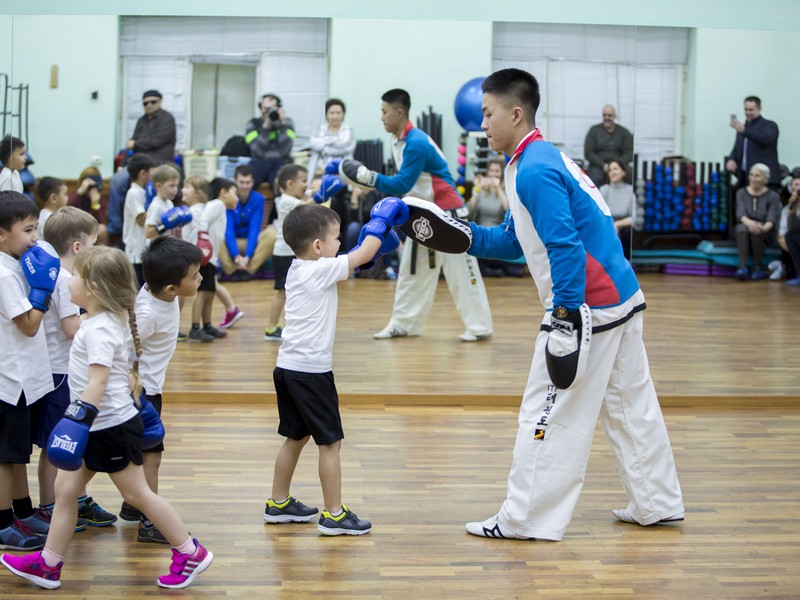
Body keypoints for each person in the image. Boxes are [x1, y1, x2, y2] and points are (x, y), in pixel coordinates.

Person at [462, 68, 683, 541]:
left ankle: (524, 519)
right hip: (620, 297)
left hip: (589, 306)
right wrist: (459, 235)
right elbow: (515, 240)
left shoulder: (535, 168)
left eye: (488, 113)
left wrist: (563, 318)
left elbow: (563, 247)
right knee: (630, 406)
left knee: (547, 410)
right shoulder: (534, 158)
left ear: (515, 113)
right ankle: (657, 502)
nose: (482, 123)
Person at [0, 245, 213, 590]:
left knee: (138, 495)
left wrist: (75, 419)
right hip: (102, 424)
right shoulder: (101, 320)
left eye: (77, 276)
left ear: (94, 289)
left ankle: (190, 551)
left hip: (108, 427)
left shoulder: (99, 329)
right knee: (65, 489)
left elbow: (98, 379)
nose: (69, 280)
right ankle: (49, 564)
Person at [265, 201, 403, 535]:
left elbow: (350, 262)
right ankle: (334, 514)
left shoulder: (301, 269)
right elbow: (360, 255)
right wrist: (380, 220)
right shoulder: (320, 269)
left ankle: (278, 503)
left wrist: (372, 249)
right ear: (317, 247)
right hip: (311, 372)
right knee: (330, 443)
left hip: (288, 367)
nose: (340, 243)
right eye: (336, 238)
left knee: (295, 436)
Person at [338, 88, 493, 342]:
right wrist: (370, 184)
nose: (381, 117)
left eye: (384, 112)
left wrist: (369, 178)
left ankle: (479, 327)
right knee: (412, 269)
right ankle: (404, 324)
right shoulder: (396, 140)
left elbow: (400, 184)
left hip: (448, 212)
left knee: (461, 272)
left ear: (399, 113)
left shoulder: (416, 143)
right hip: (422, 212)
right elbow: (406, 185)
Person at [117, 236, 203, 542]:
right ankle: (150, 521)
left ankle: (132, 505)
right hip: (141, 394)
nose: (200, 279)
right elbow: (121, 352)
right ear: (171, 289)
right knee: (151, 455)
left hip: (150, 389)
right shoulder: (148, 313)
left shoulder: (160, 293)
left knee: (142, 452)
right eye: (194, 277)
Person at [37, 207, 118, 529]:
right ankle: (48, 505)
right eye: (94, 241)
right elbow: (71, 328)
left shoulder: (67, 277)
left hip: (66, 369)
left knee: (73, 442)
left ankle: (76, 499)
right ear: (77, 247)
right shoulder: (66, 280)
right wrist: (101, 312)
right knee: (55, 442)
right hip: (60, 372)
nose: (96, 247)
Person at [0, 191, 57, 551]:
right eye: (27, 230)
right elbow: (29, 325)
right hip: (10, 379)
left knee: (19, 452)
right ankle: (3, 522)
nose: (34, 237)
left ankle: (21, 510)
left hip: (23, 378)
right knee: (5, 456)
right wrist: (43, 290)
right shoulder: (4, 275)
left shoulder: (15, 263)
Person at [180, 177, 243, 337]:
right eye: (235, 193)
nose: (237, 197)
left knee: (209, 292)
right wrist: (203, 241)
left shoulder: (220, 207)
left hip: (211, 256)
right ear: (223, 193)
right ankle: (195, 327)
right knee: (202, 293)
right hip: (205, 255)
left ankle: (207, 325)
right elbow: (203, 220)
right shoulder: (217, 204)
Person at [264, 164, 312, 341]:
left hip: (292, 253)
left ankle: (288, 326)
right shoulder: (285, 200)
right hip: (283, 254)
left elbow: (308, 199)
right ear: (290, 184)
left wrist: (315, 189)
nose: (306, 185)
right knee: (283, 292)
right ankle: (271, 328)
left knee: (294, 291)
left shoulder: (294, 197)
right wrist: (321, 193)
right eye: (304, 181)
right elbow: (307, 207)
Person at [220, 165, 276, 282]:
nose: (244, 186)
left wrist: (247, 256)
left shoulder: (258, 199)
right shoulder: (227, 199)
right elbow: (228, 230)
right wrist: (236, 255)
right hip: (232, 240)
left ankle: (249, 269)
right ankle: (232, 270)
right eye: (241, 182)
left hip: (250, 242)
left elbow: (254, 229)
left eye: (248, 182)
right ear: (235, 181)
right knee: (215, 233)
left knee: (272, 234)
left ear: (253, 182)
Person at [468, 156, 519, 277]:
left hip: (499, 236)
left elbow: (511, 210)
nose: (493, 174)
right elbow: (469, 211)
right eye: (491, 171)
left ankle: (492, 269)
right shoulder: (480, 191)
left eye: (496, 171)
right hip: (483, 234)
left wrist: (498, 190)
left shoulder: (507, 190)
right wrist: (477, 189)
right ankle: (492, 269)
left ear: (501, 173)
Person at [734, 163, 782, 281]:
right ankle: (742, 266)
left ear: (765, 179)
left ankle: (758, 267)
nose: (753, 178)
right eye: (751, 175)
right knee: (742, 228)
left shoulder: (773, 196)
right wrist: (751, 224)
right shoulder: (741, 192)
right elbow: (741, 214)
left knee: (756, 232)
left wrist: (762, 228)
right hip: (745, 225)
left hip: (765, 230)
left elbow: (771, 219)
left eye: (757, 176)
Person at [726, 96, 780, 190]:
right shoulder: (743, 127)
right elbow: (737, 148)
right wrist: (731, 159)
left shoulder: (769, 125)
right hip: (745, 179)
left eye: (751, 110)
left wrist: (744, 131)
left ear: (760, 109)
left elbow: (766, 139)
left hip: (765, 180)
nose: (748, 112)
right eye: (746, 109)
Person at [245, 93, 295, 188]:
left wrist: (282, 125)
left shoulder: (287, 122)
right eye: (266, 109)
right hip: (260, 162)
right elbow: (257, 152)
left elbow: (285, 151)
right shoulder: (252, 124)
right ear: (260, 108)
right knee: (246, 182)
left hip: (281, 162)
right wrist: (266, 127)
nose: (268, 112)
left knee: (281, 183)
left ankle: (281, 201)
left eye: (272, 108)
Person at [122, 154, 157, 287]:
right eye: (153, 173)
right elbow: (141, 220)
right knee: (138, 288)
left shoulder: (144, 192)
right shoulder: (134, 193)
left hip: (144, 247)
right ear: (143, 173)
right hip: (136, 250)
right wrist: (153, 204)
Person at [583, 105, 634, 188]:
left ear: (614, 116)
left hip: (619, 164)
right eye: (604, 115)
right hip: (598, 166)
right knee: (593, 179)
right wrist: (603, 165)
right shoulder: (594, 130)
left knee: (630, 175)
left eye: (609, 115)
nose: (607, 117)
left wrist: (617, 165)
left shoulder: (624, 132)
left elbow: (630, 152)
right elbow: (588, 152)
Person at [307, 98, 356, 180]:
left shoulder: (348, 130)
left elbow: (346, 147)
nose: (335, 116)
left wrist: (323, 147)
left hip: (342, 175)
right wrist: (336, 140)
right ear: (326, 114)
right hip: (319, 174)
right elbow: (313, 144)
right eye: (332, 113)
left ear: (343, 114)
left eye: (338, 113)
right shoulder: (319, 128)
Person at [598, 160, 636, 261]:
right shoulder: (604, 189)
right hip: (607, 222)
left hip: (623, 224)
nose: (612, 172)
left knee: (628, 232)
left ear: (623, 172)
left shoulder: (630, 190)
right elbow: (599, 213)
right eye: (610, 170)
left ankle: (626, 263)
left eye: (615, 169)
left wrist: (618, 224)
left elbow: (634, 218)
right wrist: (611, 224)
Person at [127, 90, 177, 166]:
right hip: (139, 162)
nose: (149, 105)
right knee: (117, 178)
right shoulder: (141, 121)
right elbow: (131, 143)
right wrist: (122, 165)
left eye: (153, 102)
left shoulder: (167, 118)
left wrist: (136, 143)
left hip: (160, 162)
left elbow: (156, 142)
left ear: (160, 101)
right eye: (145, 103)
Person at [67, 167, 110, 246]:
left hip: (91, 233)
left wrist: (95, 205)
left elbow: (100, 223)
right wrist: (79, 193)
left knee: (102, 229)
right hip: (75, 230)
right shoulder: (75, 197)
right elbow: (66, 210)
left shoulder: (101, 201)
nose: (93, 189)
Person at [143, 164, 182, 241]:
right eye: (171, 186)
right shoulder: (156, 206)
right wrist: (165, 224)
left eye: (176, 186)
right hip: (157, 250)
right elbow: (148, 233)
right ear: (158, 186)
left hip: (167, 246)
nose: (175, 190)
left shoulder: (169, 203)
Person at [781, 174, 800, 286]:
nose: (798, 189)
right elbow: (792, 229)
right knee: (790, 236)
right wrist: (792, 208)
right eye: (796, 185)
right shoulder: (787, 209)